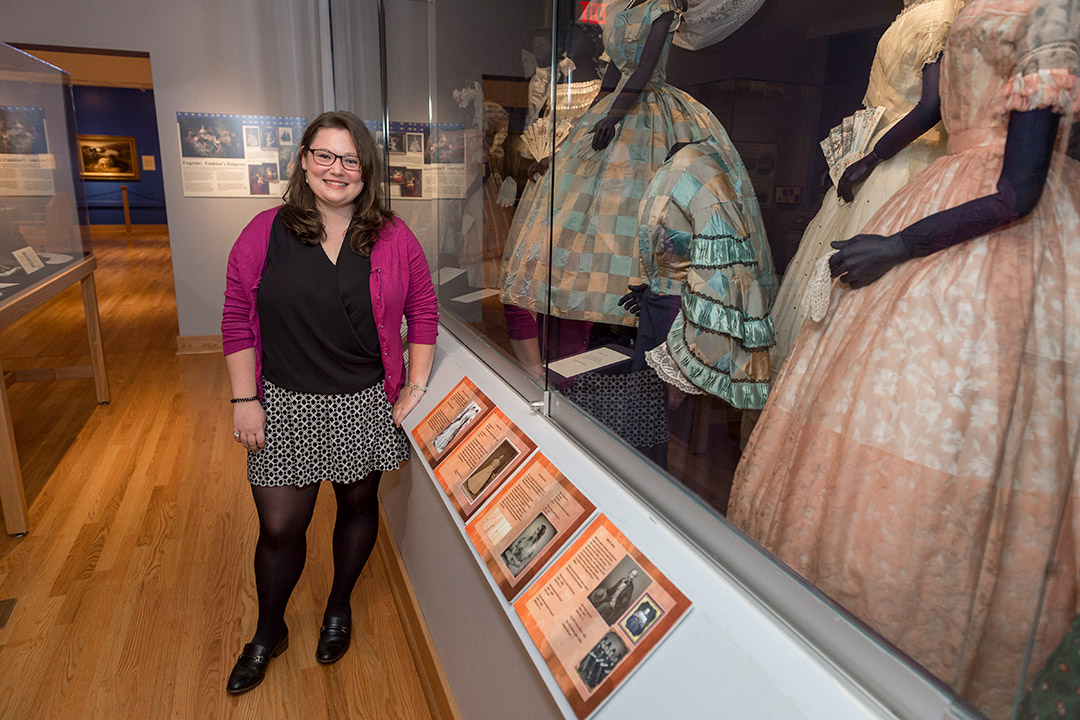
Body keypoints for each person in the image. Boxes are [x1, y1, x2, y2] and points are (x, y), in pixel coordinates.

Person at [728, 1, 1079, 716]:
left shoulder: (1052, 9)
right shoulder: (975, 6)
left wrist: (901, 243)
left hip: (997, 245)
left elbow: (1019, 189)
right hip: (943, 192)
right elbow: (932, 107)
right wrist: (874, 160)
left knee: (964, 427)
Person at [221, 110, 438, 694]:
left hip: (363, 402)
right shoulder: (263, 232)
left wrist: (413, 387)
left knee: (357, 506)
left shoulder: (393, 236)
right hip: (285, 403)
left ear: (366, 170)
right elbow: (237, 319)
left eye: (350, 159)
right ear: (303, 161)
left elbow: (424, 311)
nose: (337, 169)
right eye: (325, 155)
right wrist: (246, 398)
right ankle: (269, 631)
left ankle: (338, 605)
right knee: (280, 527)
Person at [500, 0, 754, 329]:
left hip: (651, 107)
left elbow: (645, 70)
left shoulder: (662, 10)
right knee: (593, 206)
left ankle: (644, 306)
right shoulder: (621, 10)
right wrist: (599, 110)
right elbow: (616, 72)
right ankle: (597, 305)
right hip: (615, 104)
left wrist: (614, 114)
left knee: (640, 200)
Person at [769, 0, 962, 371]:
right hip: (893, 155)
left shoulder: (936, 16)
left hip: (899, 158)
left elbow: (931, 105)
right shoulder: (928, 14)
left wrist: (872, 158)